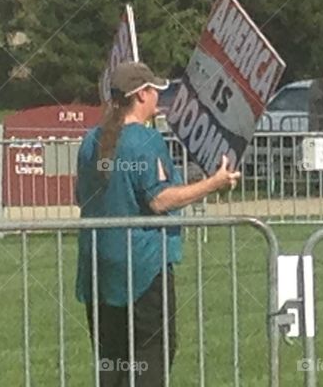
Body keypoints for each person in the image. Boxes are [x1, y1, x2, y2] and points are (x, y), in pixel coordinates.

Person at [76, 61, 241, 386]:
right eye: (154, 91)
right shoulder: (146, 141)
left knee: (112, 362)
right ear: (141, 95)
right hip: (142, 267)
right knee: (152, 355)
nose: (158, 98)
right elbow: (160, 199)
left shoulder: (89, 141)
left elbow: (82, 196)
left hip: (98, 267)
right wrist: (213, 183)